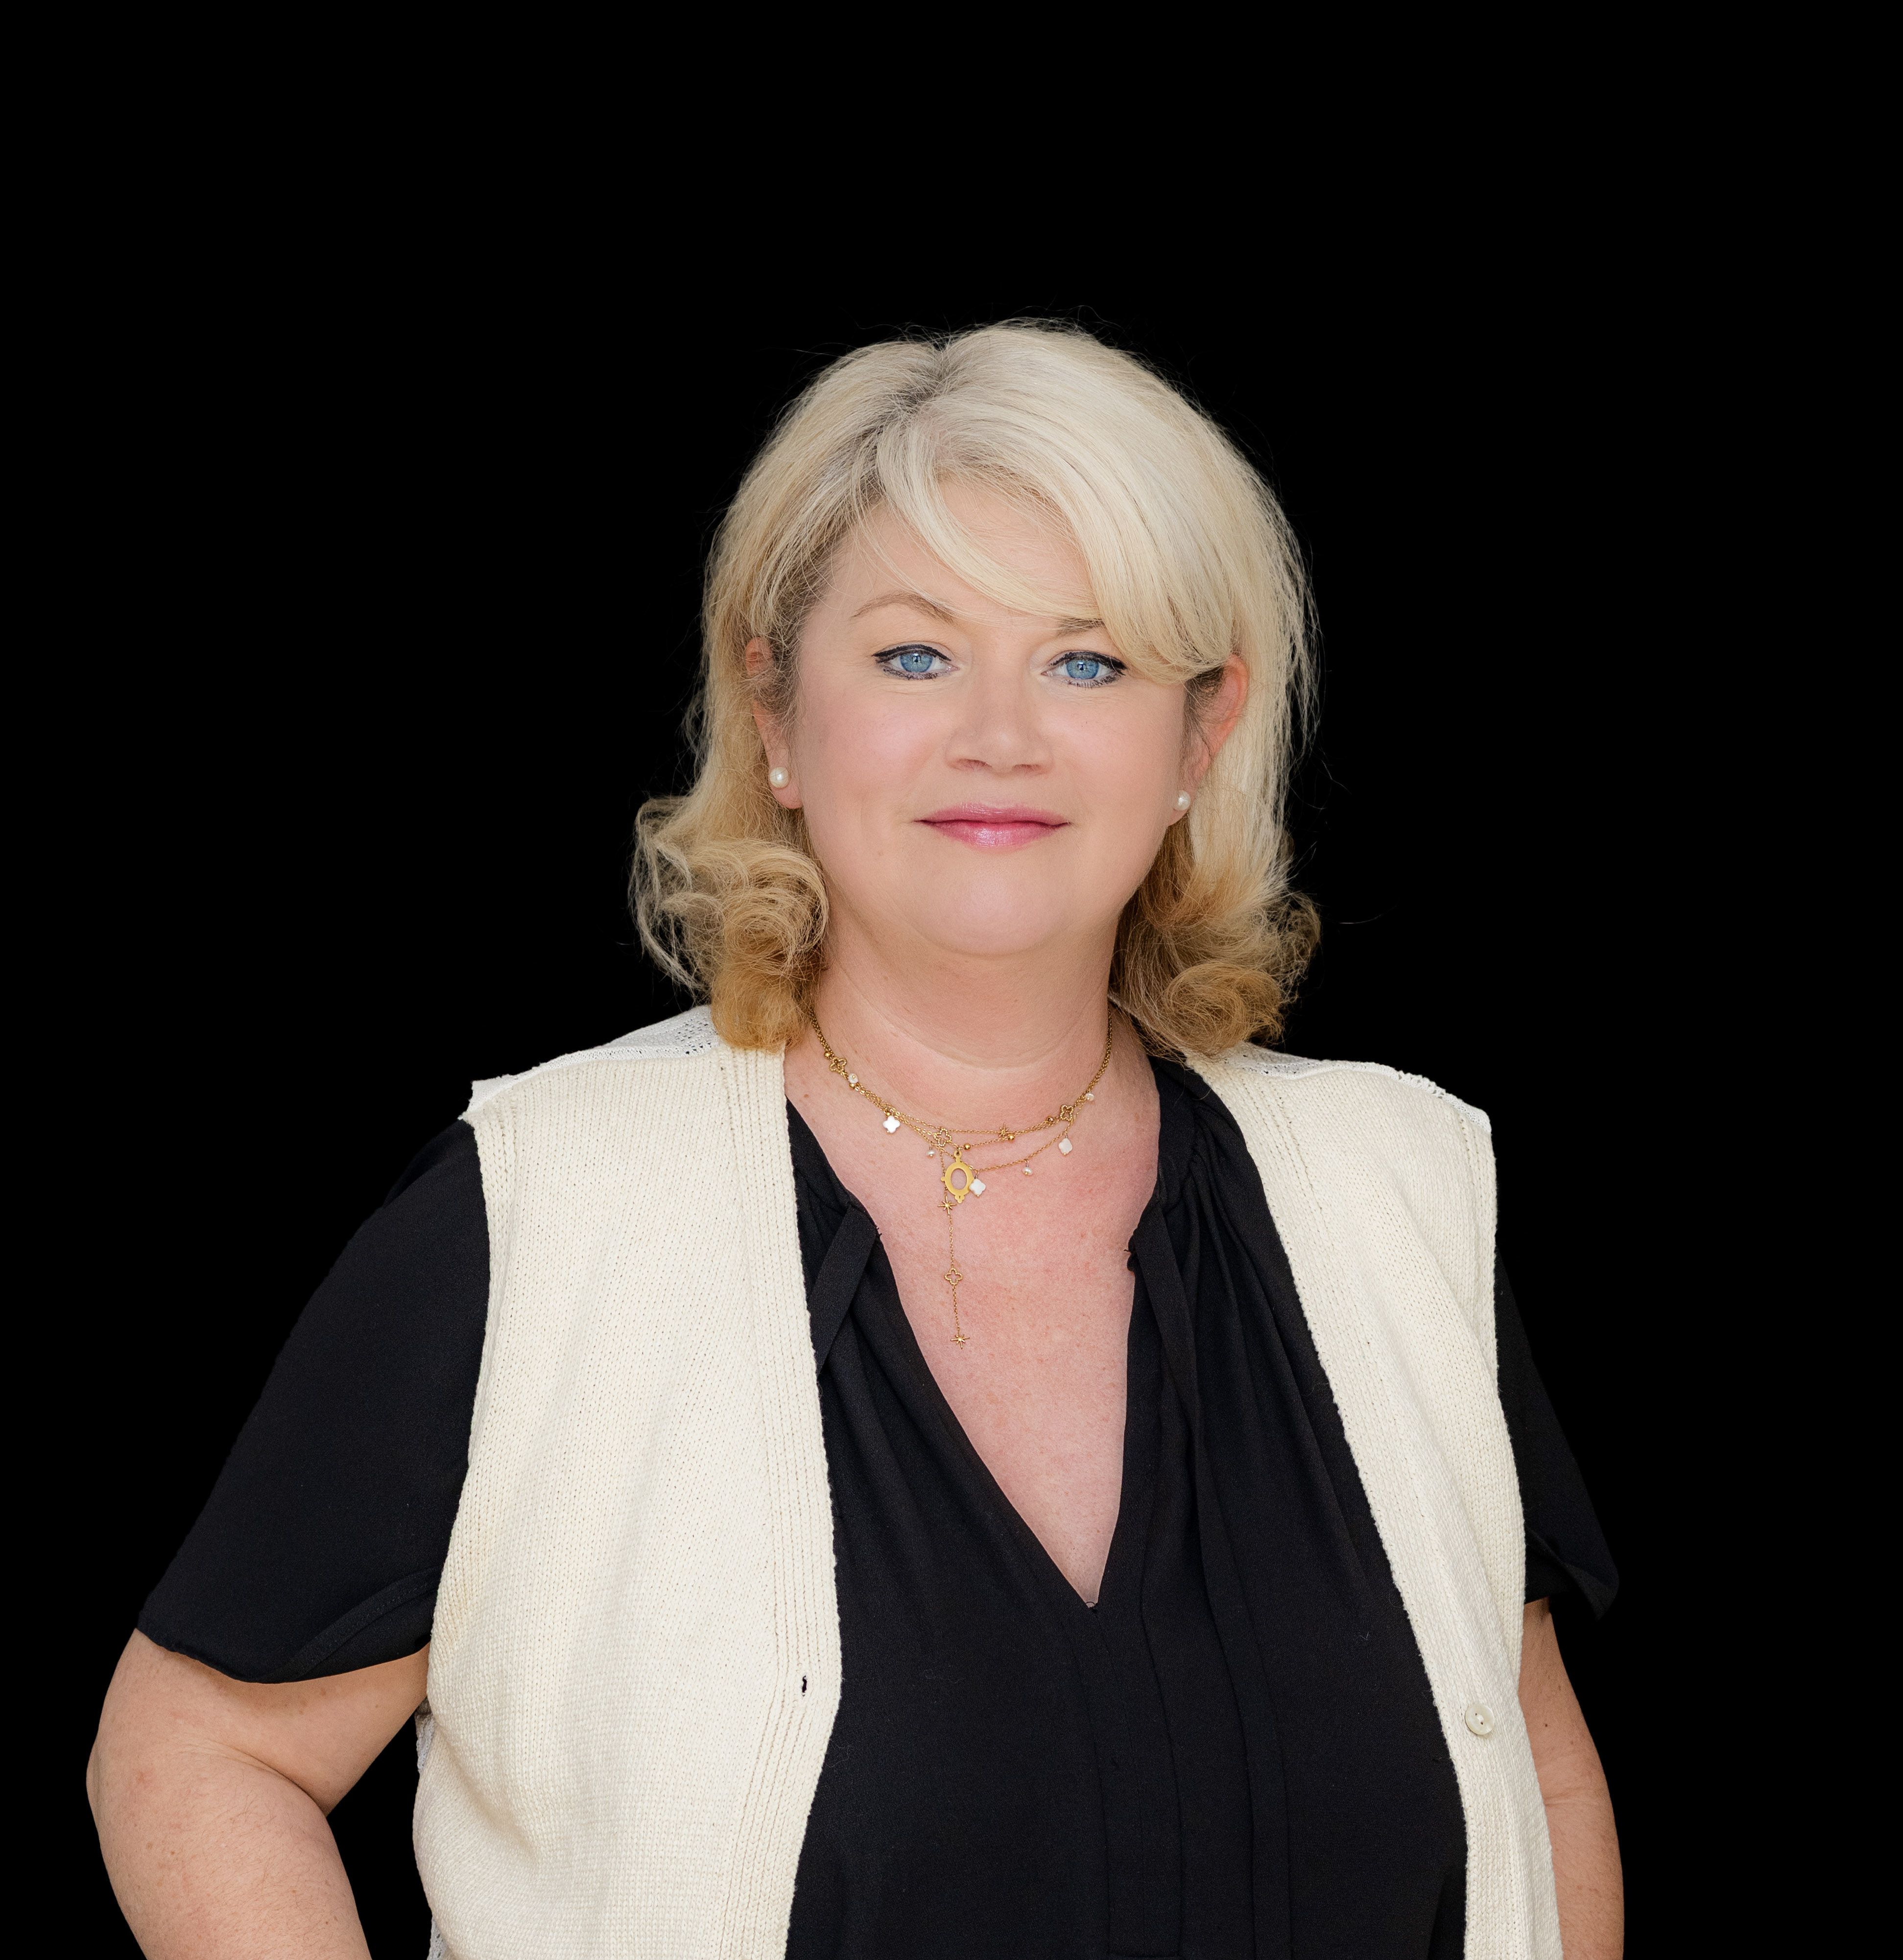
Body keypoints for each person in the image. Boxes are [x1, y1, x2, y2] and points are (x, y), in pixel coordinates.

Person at [88, 321, 1622, 1958]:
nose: (1000, 735)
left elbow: (1536, 1769)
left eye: (1088, 662)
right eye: (913, 656)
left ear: (1199, 734)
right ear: (772, 710)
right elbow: (200, 1750)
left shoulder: (1394, 1188)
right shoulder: (545, 1209)